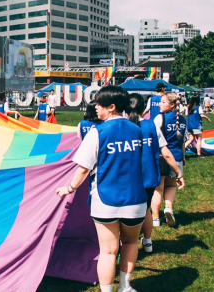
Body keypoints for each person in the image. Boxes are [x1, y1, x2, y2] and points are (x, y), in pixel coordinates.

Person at [55, 86, 146, 292]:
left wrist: (69, 188)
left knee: (108, 252)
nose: (95, 107)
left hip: (106, 200)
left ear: (111, 107)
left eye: (98, 103)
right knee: (130, 244)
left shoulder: (97, 132)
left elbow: (83, 168)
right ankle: (125, 286)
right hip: (136, 200)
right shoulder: (137, 130)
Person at [127, 93, 184, 254]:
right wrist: (178, 172)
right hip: (149, 176)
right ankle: (148, 241)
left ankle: (123, 246)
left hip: (128, 177)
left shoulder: (123, 127)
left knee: (125, 212)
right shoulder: (151, 126)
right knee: (145, 211)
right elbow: (165, 152)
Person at [151, 92, 186, 228]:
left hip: (162, 157)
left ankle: (155, 218)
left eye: (163, 102)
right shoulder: (182, 120)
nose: (159, 104)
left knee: (158, 189)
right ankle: (168, 207)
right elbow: (182, 141)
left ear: (172, 104)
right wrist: (183, 157)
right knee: (171, 186)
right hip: (177, 158)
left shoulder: (160, 118)